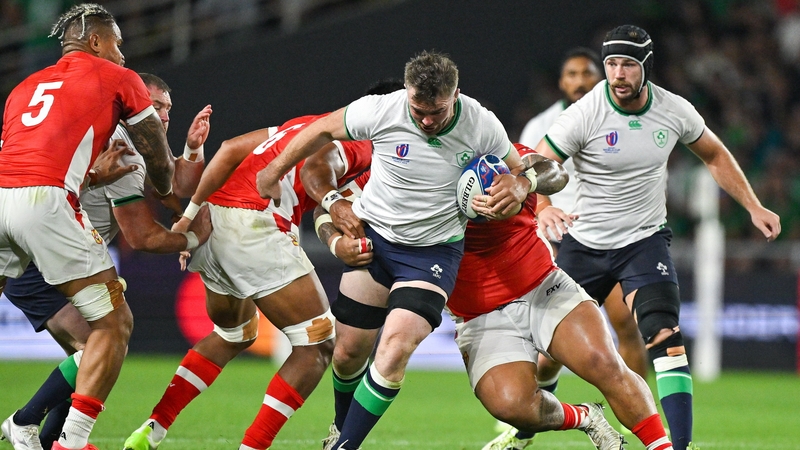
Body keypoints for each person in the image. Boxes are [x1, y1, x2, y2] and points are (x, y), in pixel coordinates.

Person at [306, 141, 675, 450]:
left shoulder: (495, 153)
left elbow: (554, 172)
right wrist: (336, 240)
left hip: (542, 288)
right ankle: (585, 416)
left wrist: (524, 182)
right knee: (513, 406)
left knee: (603, 363)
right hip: (479, 317)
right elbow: (328, 206)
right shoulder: (404, 176)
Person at [257, 50, 536, 450]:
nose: (427, 121)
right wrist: (274, 169)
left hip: (432, 255)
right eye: (419, 111)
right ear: (406, 91)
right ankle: (340, 427)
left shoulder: (480, 123)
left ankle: (345, 446)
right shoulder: (381, 110)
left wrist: (519, 185)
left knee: (393, 350)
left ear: (455, 94)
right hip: (378, 243)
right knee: (347, 353)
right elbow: (321, 130)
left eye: (437, 112)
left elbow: (518, 167)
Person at [535, 25, 782, 450]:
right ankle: (524, 430)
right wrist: (543, 206)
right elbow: (539, 162)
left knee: (664, 335)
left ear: (646, 66)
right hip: (584, 244)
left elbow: (714, 153)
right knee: (545, 356)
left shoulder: (673, 109)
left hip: (643, 242)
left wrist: (753, 205)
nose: (618, 74)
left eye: (628, 64)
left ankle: (680, 445)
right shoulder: (584, 114)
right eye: (611, 64)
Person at [121, 114, 373, 450]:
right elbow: (318, 174)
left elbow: (228, 148)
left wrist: (189, 215)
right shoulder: (366, 138)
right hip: (254, 224)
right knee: (318, 343)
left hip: (214, 217)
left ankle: (153, 427)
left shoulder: (300, 125)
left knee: (235, 333)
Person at [0, 73, 213, 450]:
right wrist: (193, 237)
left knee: (90, 359)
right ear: (134, 106)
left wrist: (192, 152)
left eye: (168, 108)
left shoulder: (123, 141)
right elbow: (142, 236)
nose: (163, 116)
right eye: (155, 106)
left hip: (46, 247)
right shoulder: (122, 145)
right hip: (40, 259)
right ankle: (25, 421)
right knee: (100, 342)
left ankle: (48, 441)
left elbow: (170, 183)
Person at [487, 46, 649, 449]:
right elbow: (523, 180)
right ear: (562, 81)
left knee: (627, 326)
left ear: (601, 79)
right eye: (572, 74)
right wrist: (541, 226)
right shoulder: (542, 125)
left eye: (587, 73)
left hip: (610, 236)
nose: (580, 81)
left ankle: (644, 428)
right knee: (551, 350)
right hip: (559, 240)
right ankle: (525, 431)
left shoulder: (623, 119)